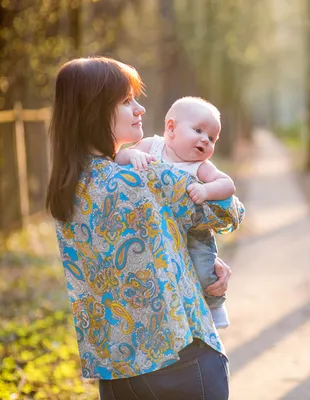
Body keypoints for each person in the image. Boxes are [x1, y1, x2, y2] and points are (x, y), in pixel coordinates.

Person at [46, 56, 244, 399]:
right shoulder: (146, 177)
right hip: (180, 355)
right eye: (126, 101)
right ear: (94, 110)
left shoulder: (68, 188)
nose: (139, 109)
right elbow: (231, 211)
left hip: (117, 371)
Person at [114, 97, 235, 329]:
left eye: (211, 138)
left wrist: (206, 189)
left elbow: (228, 184)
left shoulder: (199, 166)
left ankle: (215, 305)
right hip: (157, 228)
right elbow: (117, 159)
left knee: (204, 268)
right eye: (198, 130)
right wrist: (132, 155)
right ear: (171, 128)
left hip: (193, 234)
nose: (205, 140)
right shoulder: (152, 146)